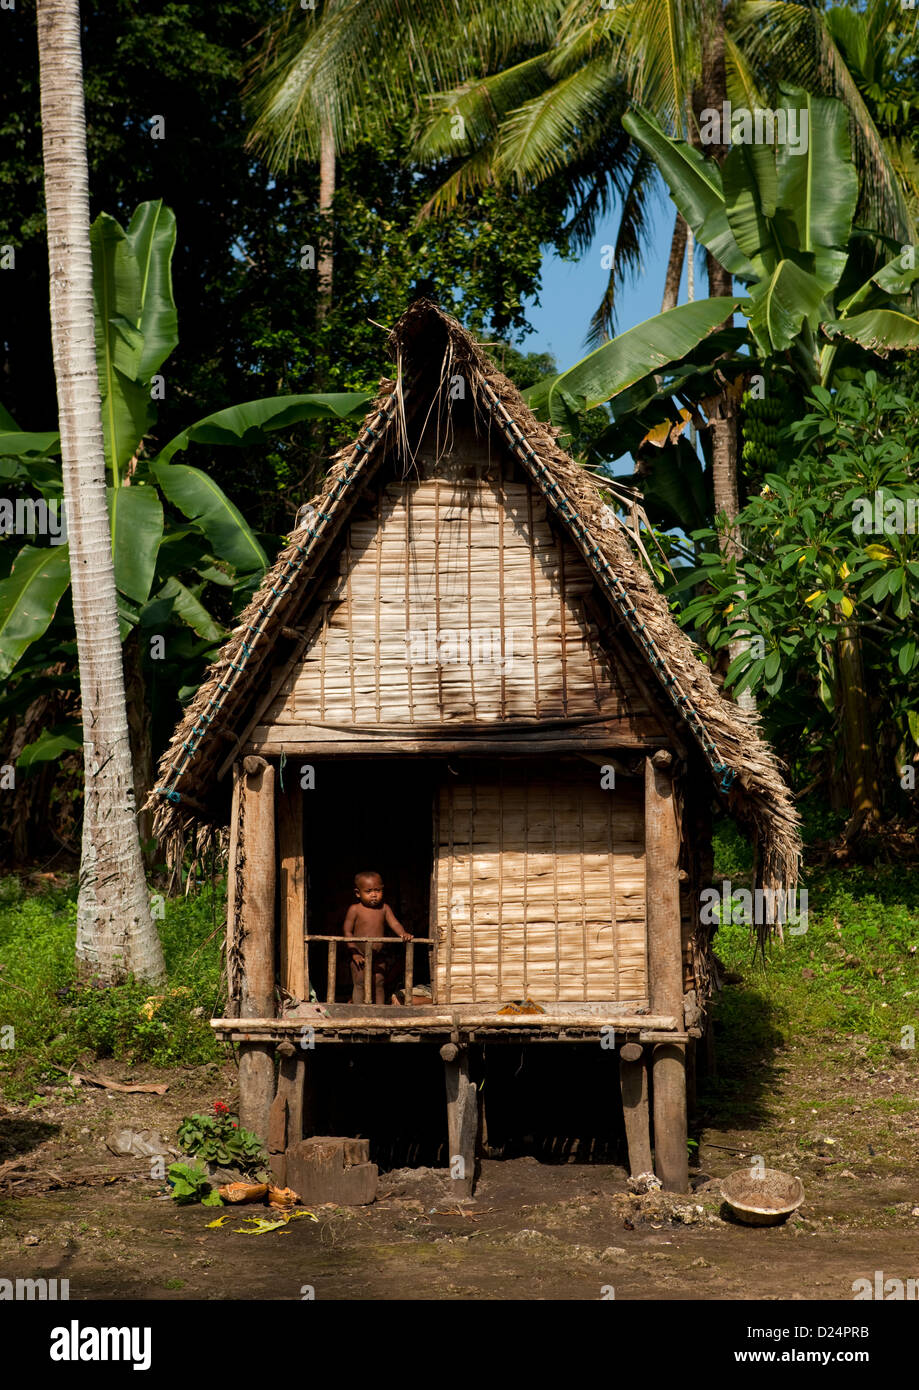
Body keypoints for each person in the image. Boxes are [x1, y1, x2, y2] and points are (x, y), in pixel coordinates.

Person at [343, 871, 412, 1004]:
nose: (374, 894)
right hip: (360, 955)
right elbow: (347, 932)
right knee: (360, 983)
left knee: (379, 982)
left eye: (378, 890)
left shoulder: (384, 908)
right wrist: (354, 953)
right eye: (368, 891)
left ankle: (380, 1010)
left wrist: (403, 933)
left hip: (378, 956)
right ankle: (358, 1010)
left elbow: (395, 923)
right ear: (358, 893)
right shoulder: (355, 909)